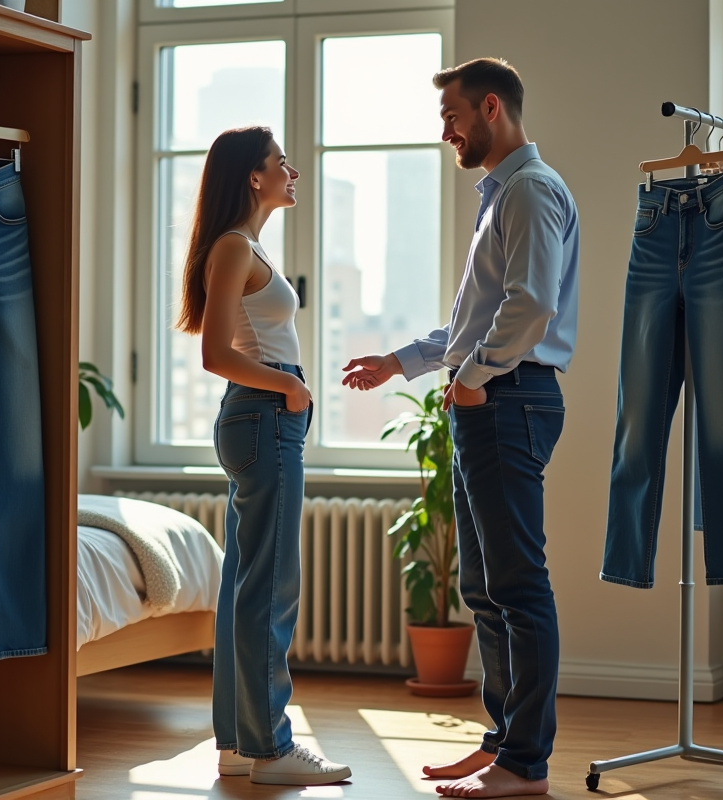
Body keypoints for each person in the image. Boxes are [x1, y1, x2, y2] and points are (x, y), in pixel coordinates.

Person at [342, 58, 579, 798]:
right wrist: (403, 361)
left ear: (490, 109)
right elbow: (476, 319)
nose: (444, 130)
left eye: (451, 116)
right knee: (484, 587)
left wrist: (472, 380)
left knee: (518, 586)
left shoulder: (531, 191)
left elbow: (531, 305)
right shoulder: (502, 194)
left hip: (508, 400)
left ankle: (525, 765)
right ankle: (504, 742)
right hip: (490, 399)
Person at [176, 127, 351, 786]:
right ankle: (271, 748)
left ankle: (240, 741)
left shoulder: (245, 249)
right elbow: (216, 353)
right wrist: (290, 385)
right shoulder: (232, 248)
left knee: (248, 584)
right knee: (270, 585)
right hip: (264, 418)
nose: (293, 170)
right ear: (255, 177)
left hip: (264, 421)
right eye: (282, 162)